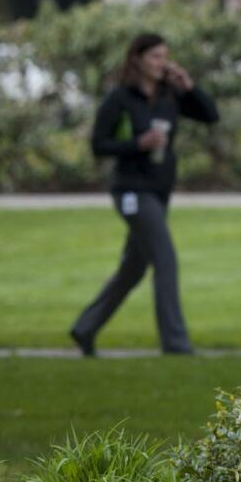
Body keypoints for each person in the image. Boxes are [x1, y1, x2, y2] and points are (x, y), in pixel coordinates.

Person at [69, 33, 219, 356]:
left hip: (159, 191)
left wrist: (188, 85)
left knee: (133, 268)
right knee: (165, 259)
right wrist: (137, 144)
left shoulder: (170, 96)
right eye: (155, 57)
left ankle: (85, 328)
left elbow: (210, 115)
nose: (161, 63)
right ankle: (176, 344)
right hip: (132, 192)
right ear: (136, 59)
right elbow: (99, 144)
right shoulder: (120, 99)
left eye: (165, 56)